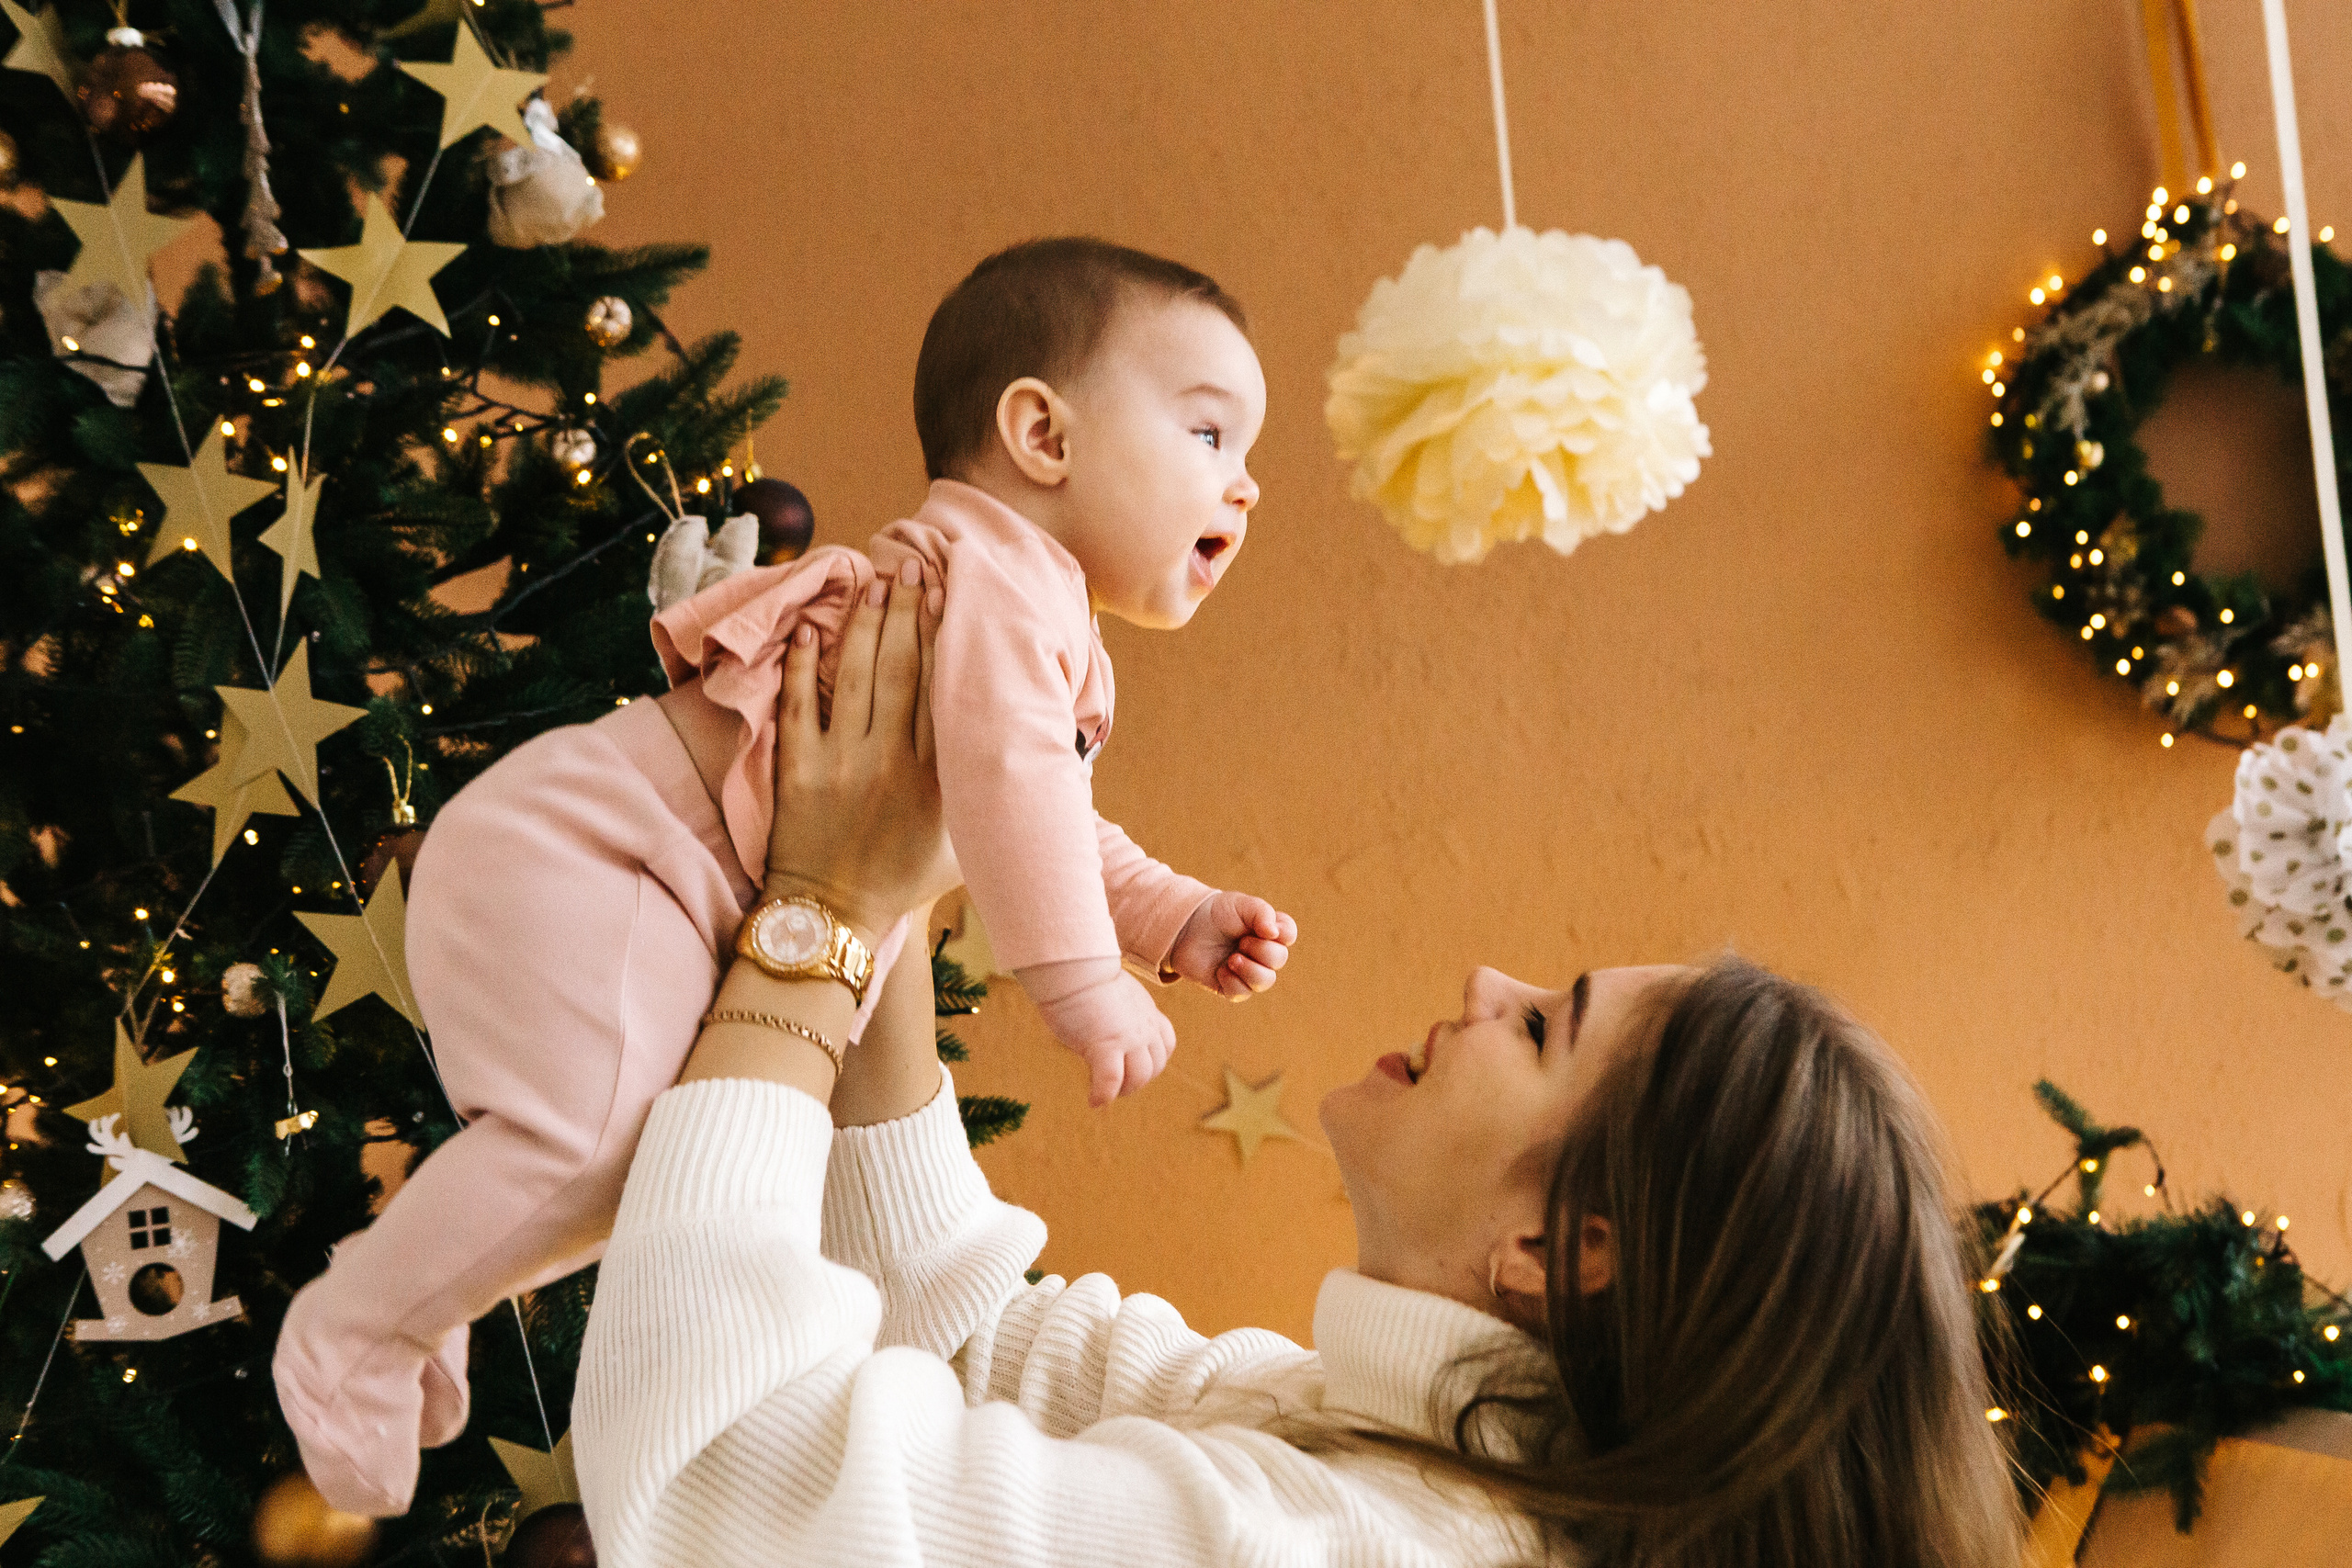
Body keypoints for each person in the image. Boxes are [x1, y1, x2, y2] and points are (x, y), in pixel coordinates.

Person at [574, 573, 2025, 1568]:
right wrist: (894, 874)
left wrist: (814, 921)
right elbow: (969, 1330)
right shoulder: (1380, 1439)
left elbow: (721, 1489)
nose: (1483, 988)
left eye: (1542, 1028)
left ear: (1557, 1251)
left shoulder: (1351, 1546)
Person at [275, 238, 1302, 1517]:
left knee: (645, 1154)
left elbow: (1024, 809)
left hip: (619, 871)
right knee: (601, 1148)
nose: (1245, 488)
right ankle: (356, 1331)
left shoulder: (1025, 613)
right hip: (588, 856)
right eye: (1211, 435)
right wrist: (1087, 981)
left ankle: (422, 1298)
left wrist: (1172, 916)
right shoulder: (997, 584)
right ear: (1041, 434)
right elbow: (1015, 799)